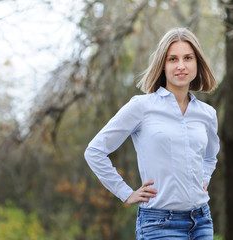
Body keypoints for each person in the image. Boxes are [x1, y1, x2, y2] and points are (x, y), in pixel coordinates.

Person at [84, 27, 220, 240]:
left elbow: (210, 157)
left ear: (197, 63)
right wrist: (125, 193)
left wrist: (204, 178)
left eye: (188, 58)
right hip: (159, 224)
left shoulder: (207, 114)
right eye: (172, 59)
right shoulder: (141, 107)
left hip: (201, 221)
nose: (181, 65)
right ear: (162, 65)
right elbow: (95, 151)